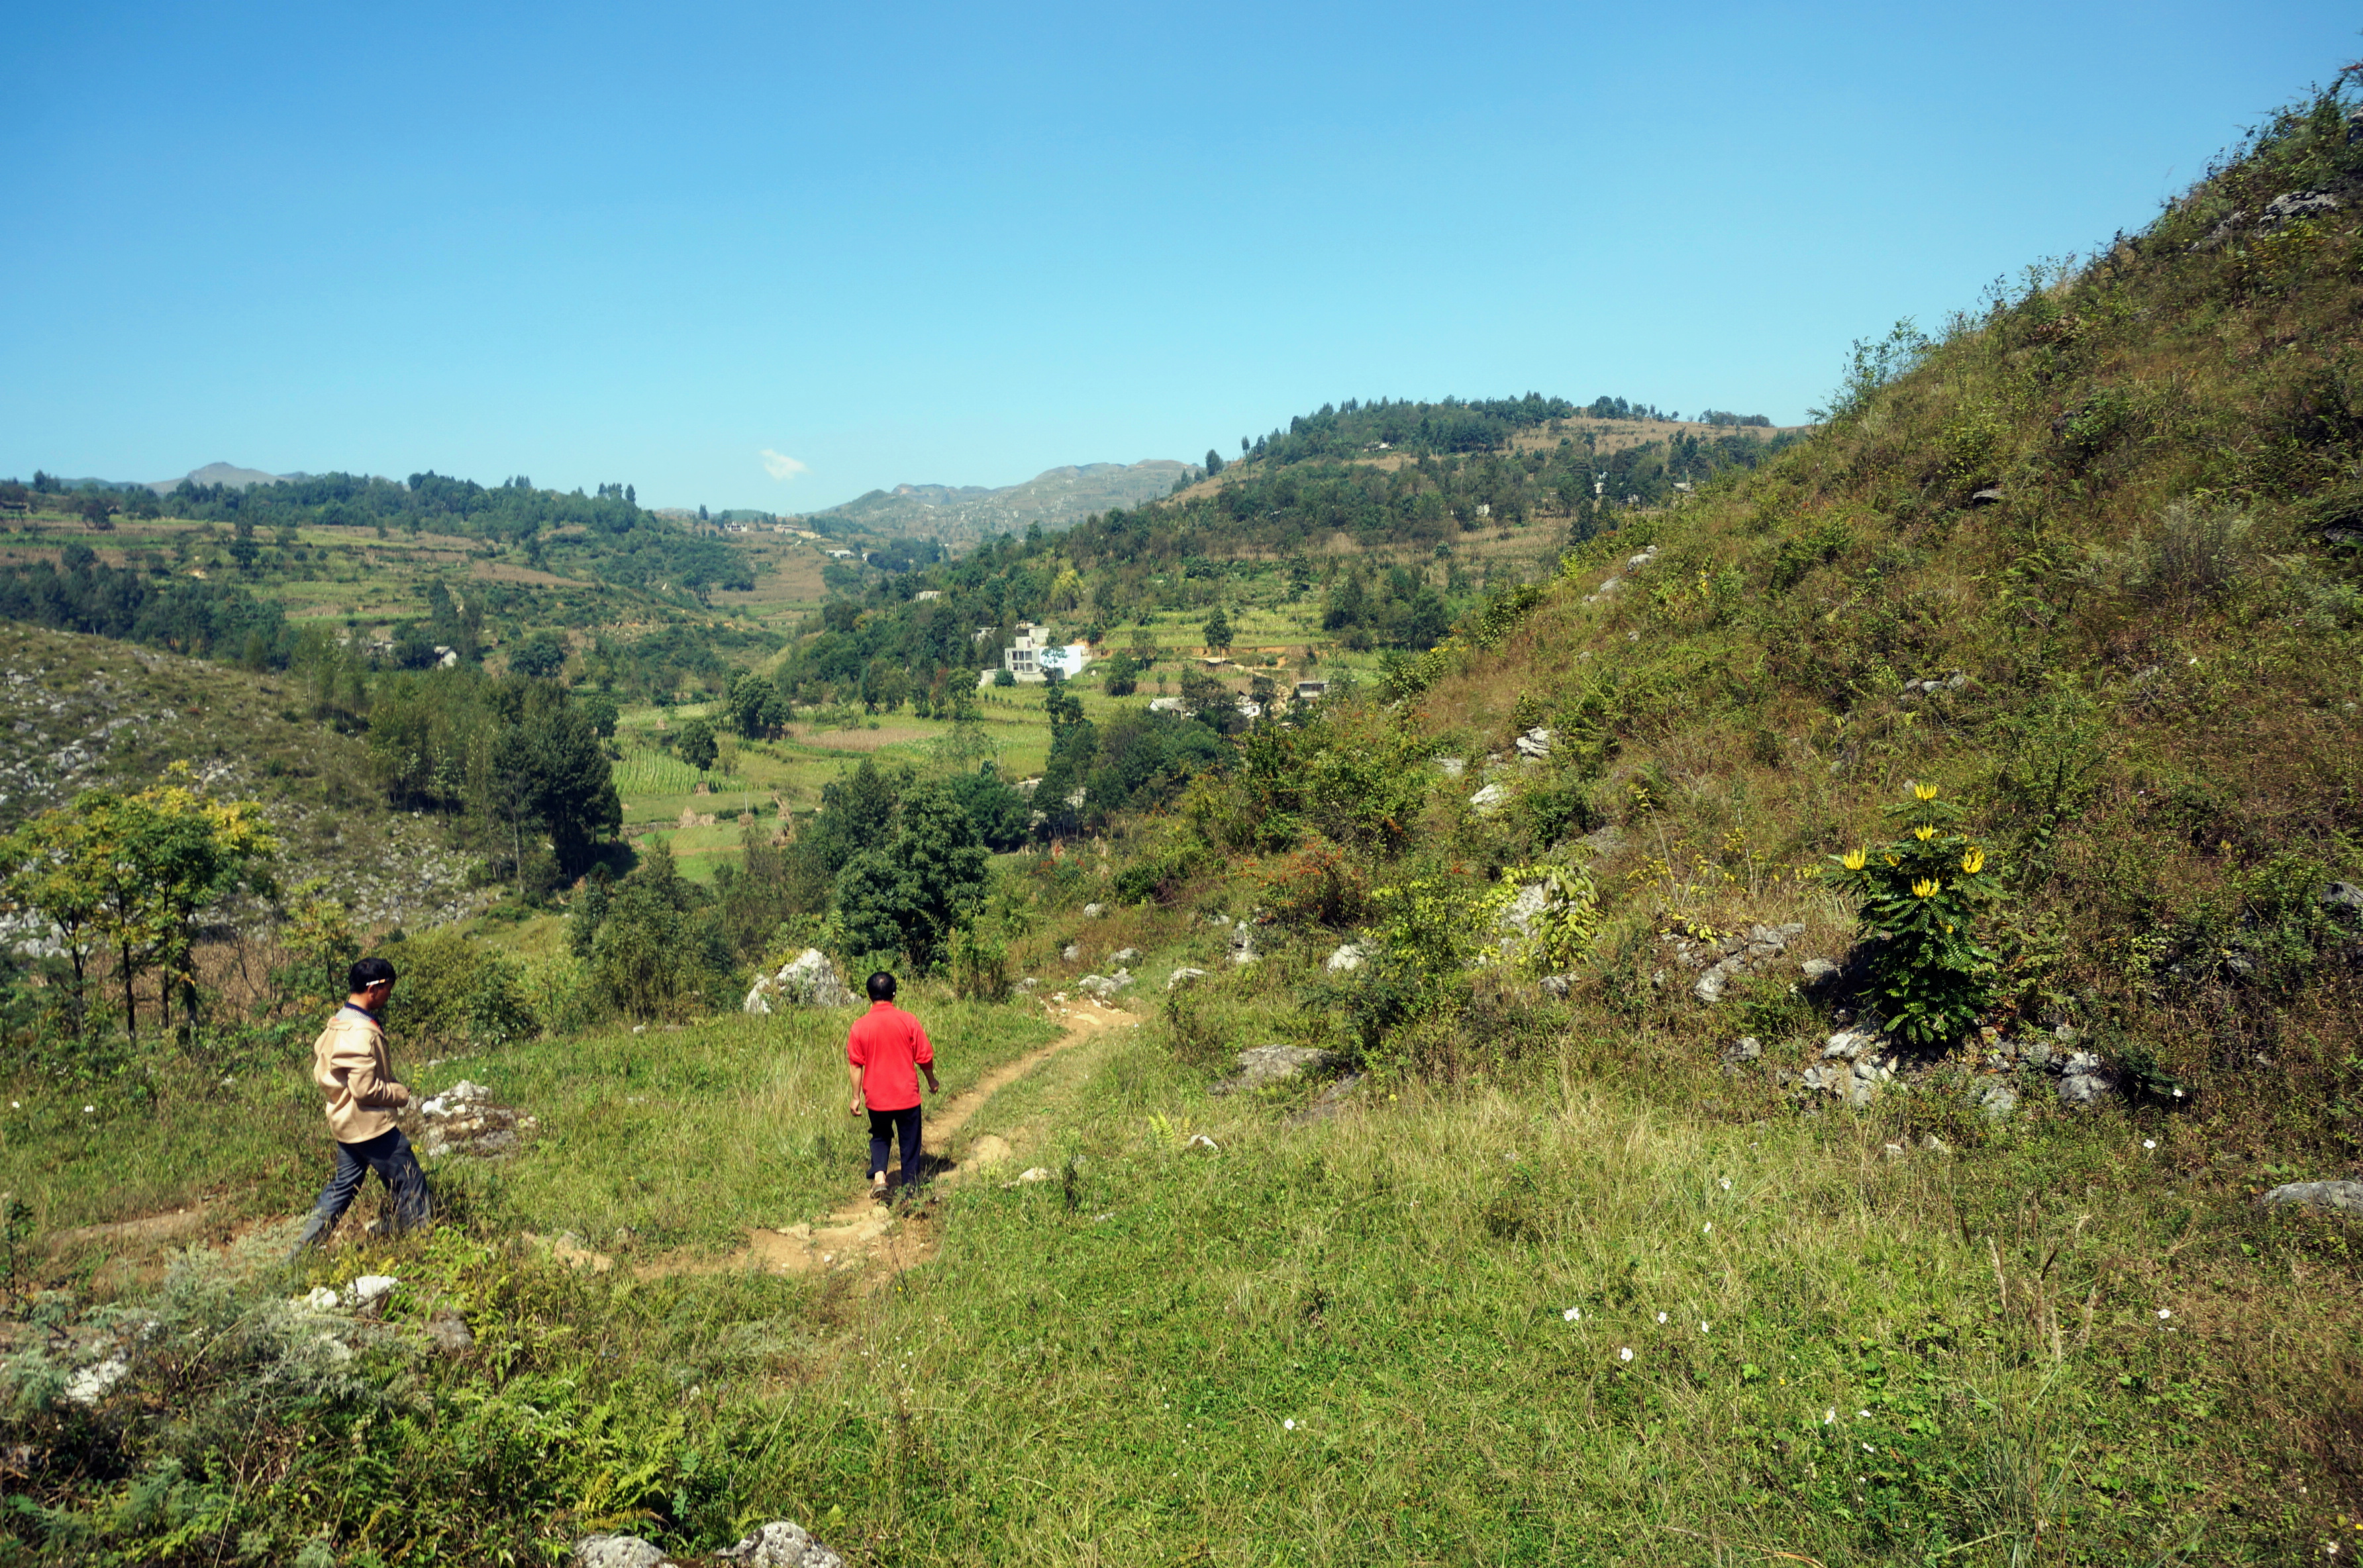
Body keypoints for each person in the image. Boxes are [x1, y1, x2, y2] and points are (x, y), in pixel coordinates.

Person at [293, 956, 431, 1251]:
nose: (389, 995)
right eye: (388, 989)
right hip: (371, 1126)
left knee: (342, 1188)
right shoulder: (360, 1032)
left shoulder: (339, 1021)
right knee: (410, 1181)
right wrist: (398, 1094)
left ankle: (301, 1250)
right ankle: (421, 1246)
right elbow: (364, 1089)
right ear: (374, 989)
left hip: (346, 1123)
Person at [846, 970, 940, 1199]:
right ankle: (910, 1191)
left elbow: (856, 1065)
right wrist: (931, 1080)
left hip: (877, 1098)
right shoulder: (908, 1021)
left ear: (869, 995)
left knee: (880, 1135)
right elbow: (924, 1056)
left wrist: (856, 1097)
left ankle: (879, 1177)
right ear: (894, 994)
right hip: (907, 1096)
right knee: (910, 1142)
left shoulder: (859, 1026)